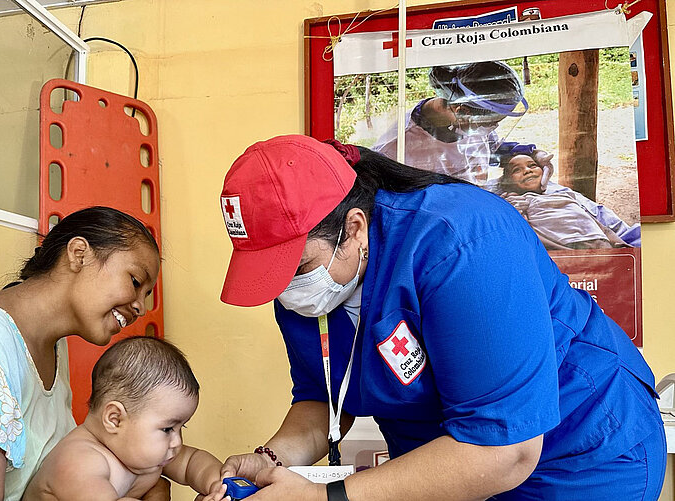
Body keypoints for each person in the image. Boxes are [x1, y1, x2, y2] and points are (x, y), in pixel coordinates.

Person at [216, 135, 665, 500]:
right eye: (270, 275)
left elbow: (505, 449)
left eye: (295, 269)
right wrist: (271, 461)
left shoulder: (461, 241)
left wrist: (327, 498)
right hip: (442, 466)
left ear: (354, 228)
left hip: (577, 454)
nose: (284, 290)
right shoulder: (302, 285)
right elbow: (323, 399)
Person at [0, 207, 170, 501]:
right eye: (135, 282)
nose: (140, 308)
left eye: (146, 295)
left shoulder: (53, 346)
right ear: (79, 254)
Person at [24, 336, 226, 501]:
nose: (177, 442)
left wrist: (218, 485)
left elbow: (192, 461)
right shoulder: (79, 462)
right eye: (167, 429)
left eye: (181, 427)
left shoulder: (141, 453)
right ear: (115, 419)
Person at [373, 60, 530, 185]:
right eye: (489, 123)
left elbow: (486, 147)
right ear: (459, 109)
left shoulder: (465, 123)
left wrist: (516, 153)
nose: (491, 129)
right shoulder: (396, 150)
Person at [497, 150, 641, 249]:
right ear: (507, 182)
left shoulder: (564, 194)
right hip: (561, 251)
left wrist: (619, 242)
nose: (527, 170)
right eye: (517, 170)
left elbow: (601, 221)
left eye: (532, 165)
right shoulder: (512, 201)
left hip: (597, 242)